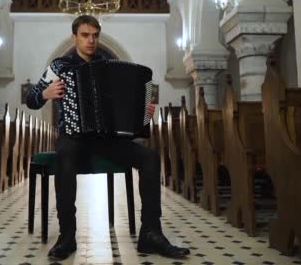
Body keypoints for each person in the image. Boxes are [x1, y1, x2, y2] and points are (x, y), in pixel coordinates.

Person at [26, 15, 190, 260]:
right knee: (65, 155)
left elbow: (145, 96)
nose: (91, 40)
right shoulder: (59, 66)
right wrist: (46, 93)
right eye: (85, 35)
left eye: (95, 35)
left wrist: (146, 107)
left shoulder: (110, 65)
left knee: (150, 157)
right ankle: (67, 236)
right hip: (73, 137)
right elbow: (31, 99)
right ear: (75, 37)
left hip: (107, 140)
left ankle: (151, 233)